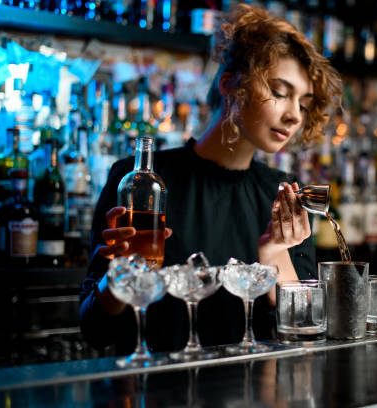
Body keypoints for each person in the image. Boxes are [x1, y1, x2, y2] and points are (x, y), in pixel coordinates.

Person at [79, 4, 342, 354]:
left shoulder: (282, 193)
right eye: (280, 92)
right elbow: (96, 331)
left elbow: (304, 330)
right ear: (232, 86)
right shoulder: (141, 182)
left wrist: (276, 253)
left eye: (304, 103)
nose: (294, 115)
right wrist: (116, 282)